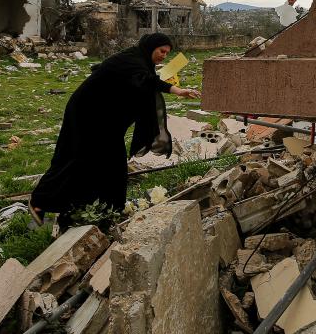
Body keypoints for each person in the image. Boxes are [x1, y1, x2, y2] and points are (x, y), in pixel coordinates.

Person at [29, 33, 199, 227]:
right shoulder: (132, 59)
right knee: (78, 158)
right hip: (87, 114)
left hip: (105, 118)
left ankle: (105, 212)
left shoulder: (139, 61)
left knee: (111, 165)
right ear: (151, 47)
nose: (164, 56)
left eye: (167, 53)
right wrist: (177, 91)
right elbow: (148, 81)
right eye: (162, 51)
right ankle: (40, 202)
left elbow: (140, 81)